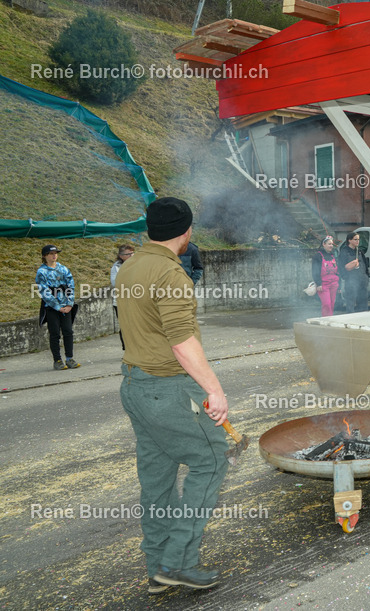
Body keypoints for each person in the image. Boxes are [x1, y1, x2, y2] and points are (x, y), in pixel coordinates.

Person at [116, 197, 229, 593]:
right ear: (186, 232)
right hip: (164, 388)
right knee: (213, 458)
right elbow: (181, 341)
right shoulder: (171, 274)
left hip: (134, 385)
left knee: (157, 478)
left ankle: (159, 565)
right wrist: (213, 390)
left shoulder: (129, 267)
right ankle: (177, 563)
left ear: (150, 230)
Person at [35, 244, 80, 370]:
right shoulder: (42, 272)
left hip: (66, 306)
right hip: (51, 307)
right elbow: (44, 292)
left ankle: (69, 358)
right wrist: (57, 306)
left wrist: (69, 304)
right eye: (51, 254)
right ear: (45, 256)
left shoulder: (64, 269)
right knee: (54, 333)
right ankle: (57, 360)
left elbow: (71, 286)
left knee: (68, 331)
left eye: (56, 253)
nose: (54, 255)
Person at [110, 244, 135, 350]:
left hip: (136, 299)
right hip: (120, 301)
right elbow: (115, 282)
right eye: (128, 254)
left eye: (132, 253)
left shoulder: (139, 264)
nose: (131, 256)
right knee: (125, 326)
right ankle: (127, 349)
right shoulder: (116, 267)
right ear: (121, 256)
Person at [338, 231, 368, 313]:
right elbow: (341, 266)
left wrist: (366, 276)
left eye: (358, 239)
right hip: (351, 281)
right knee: (351, 302)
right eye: (355, 239)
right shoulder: (344, 252)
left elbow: (365, 263)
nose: (357, 241)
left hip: (362, 280)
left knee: (363, 302)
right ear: (349, 240)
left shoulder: (360, 251)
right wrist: (346, 277)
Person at [311, 236, 339, 317]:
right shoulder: (318, 256)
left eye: (332, 244)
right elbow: (314, 271)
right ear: (324, 244)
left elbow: (338, 271)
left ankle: (330, 319)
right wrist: (318, 283)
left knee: (332, 304)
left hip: (334, 283)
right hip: (323, 285)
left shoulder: (333, 255)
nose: (331, 246)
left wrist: (339, 285)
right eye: (329, 244)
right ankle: (325, 320)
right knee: (326, 304)